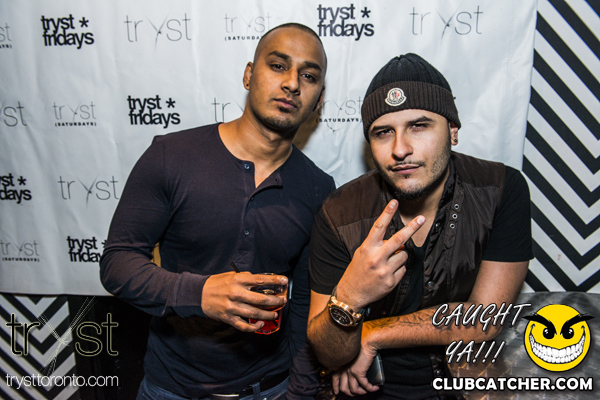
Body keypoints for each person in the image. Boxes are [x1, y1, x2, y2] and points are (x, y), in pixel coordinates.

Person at [100, 23, 335, 400]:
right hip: (171, 390)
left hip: (271, 389)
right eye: (278, 66)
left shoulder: (319, 188)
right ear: (248, 75)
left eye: (308, 76)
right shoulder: (172, 156)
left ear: (319, 99)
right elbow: (117, 263)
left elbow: (306, 302)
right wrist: (200, 293)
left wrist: (302, 391)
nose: (292, 83)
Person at [306, 53, 533, 399]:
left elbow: (485, 319)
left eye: (419, 126)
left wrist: (373, 333)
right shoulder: (339, 214)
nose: (400, 149)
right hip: (371, 388)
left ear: (453, 131)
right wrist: (349, 296)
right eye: (383, 133)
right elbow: (329, 354)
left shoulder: (499, 189)